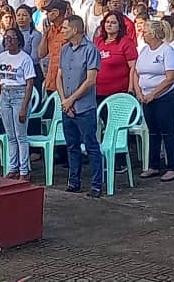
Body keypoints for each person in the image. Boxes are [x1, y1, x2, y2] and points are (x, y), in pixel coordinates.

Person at [56, 15, 103, 198]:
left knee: (91, 145)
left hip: (84, 107)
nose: (63, 31)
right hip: (67, 105)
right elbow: (59, 77)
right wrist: (64, 100)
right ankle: (73, 181)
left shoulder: (90, 50)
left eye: (65, 28)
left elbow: (90, 80)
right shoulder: (65, 50)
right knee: (72, 145)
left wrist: (71, 100)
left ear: (75, 30)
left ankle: (96, 184)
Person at [135, 20, 174, 182]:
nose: (143, 34)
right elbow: (136, 72)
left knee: (166, 130)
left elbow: (171, 77)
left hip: (166, 96)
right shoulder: (144, 50)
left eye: (146, 32)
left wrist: (154, 93)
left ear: (154, 34)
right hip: (147, 96)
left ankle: (172, 167)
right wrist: (139, 91)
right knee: (153, 130)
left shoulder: (167, 51)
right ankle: (153, 165)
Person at [0, 28, 36, 181]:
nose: (9, 41)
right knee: (10, 135)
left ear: (19, 40)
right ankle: (13, 168)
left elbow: (30, 83)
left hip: (19, 94)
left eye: (12, 38)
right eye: (6, 39)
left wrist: (24, 106)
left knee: (21, 135)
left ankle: (24, 170)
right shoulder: (2, 57)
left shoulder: (25, 59)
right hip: (5, 94)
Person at [94, 11, 139, 98]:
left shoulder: (126, 42)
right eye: (107, 22)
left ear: (120, 26)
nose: (109, 25)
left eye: (113, 23)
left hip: (119, 93)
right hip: (97, 91)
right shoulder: (98, 41)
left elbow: (133, 68)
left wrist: (131, 89)